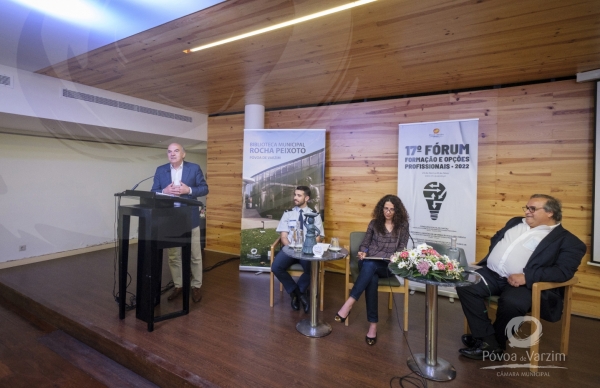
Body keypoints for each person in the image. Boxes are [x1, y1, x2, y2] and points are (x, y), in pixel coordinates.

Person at [456, 194, 586, 360]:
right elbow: (497, 238)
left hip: (526, 284)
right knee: (465, 283)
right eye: (526, 208)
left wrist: (527, 276)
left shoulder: (569, 241)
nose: (527, 212)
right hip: (492, 273)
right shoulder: (515, 222)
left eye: (532, 209)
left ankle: (490, 342)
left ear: (550, 212)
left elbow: (563, 271)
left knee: (512, 303)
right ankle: (488, 340)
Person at [335, 194, 410, 346]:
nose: (388, 212)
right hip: (369, 262)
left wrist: (396, 257)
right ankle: (373, 326)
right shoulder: (374, 223)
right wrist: (363, 251)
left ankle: (349, 303)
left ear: (398, 211)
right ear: (381, 208)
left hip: (387, 266)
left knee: (372, 272)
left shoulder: (403, 226)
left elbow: (402, 248)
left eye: (392, 210)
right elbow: (365, 243)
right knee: (371, 272)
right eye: (385, 208)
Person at [151, 143, 209, 303]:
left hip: (190, 217)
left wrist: (188, 190)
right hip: (170, 219)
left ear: (183, 154)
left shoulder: (194, 168)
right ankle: (178, 285)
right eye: (169, 151)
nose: (172, 154)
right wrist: (164, 191)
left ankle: (196, 286)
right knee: (174, 256)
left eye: (176, 151)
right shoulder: (160, 170)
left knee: (195, 255)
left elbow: (204, 188)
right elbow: (152, 191)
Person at [271, 186, 324, 313]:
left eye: (299, 195)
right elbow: (283, 236)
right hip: (290, 248)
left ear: (306, 198)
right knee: (276, 267)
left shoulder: (315, 215)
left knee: (311, 269)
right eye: (295, 194)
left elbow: (319, 236)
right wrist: (290, 247)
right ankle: (297, 293)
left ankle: (298, 292)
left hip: (307, 250)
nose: (295, 197)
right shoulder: (288, 213)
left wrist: (308, 246)